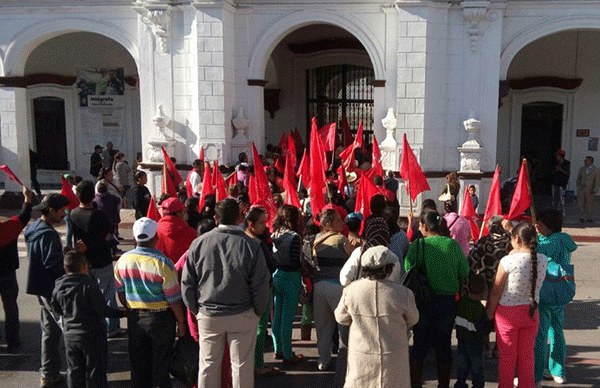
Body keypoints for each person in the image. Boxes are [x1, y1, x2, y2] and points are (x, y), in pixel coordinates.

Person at [182, 198, 270, 388]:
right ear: (239, 218)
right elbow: (261, 285)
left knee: (208, 364)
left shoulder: (198, 243)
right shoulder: (251, 245)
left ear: (215, 218)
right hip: (242, 314)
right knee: (242, 366)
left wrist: (197, 310)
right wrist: (257, 311)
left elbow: (187, 283)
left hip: (209, 313)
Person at [114, 217, 187, 388]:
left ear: (134, 238)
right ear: (156, 238)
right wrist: (181, 324)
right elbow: (174, 299)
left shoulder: (123, 261)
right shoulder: (163, 263)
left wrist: (130, 309)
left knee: (138, 365)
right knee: (160, 364)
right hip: (161, 319)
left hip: (136, 318)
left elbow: (121, 293)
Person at [335, 245, 419, 388]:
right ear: (388, 269)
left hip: (362, 357)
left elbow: (340, 317)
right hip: (393, 357)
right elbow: (413, 318)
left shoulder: (351, 291)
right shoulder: (403, 293)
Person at [405, 209, 469, 388]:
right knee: (444, 345)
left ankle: (415, 384)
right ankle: (443, 385)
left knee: (419, 346)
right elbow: (464, 271)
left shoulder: (417, 245)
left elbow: (408, 268)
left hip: (422, 302)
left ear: (424, 226)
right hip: (447, 303)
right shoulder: (453, 245)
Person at [486, 222, 548, 388]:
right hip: (531, 312)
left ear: (517, 239)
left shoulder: (508, 261)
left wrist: (490, 313)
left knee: (507, 358)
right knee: (527, 358)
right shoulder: (542, 259)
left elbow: (496, 291)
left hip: (508, 314)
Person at [51, 251, 125, 388]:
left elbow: (56, 309)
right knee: (95, 371)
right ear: (84, 266)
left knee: (74, 371)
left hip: (70, 336)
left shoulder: (58, 286)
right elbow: (102, 309)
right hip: (91, 335)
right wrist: (122, 313)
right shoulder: (89, 285)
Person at [25, 193, 71, 387]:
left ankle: (48, 373)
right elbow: (53, 265)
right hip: (52, 290)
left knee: (49, 332)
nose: (63, 215)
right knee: (68, 329)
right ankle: (75, 371)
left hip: (40, 287)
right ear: (51, 211)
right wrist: (69, 262)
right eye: (61, 211)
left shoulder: (33, 228)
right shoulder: (49, 235)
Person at [70, 180, 122, 338]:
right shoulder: (98, 214)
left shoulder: (73, 214)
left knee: (87, 294)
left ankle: (93, 324)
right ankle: (111, 327)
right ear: (93, 196)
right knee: (107, 294)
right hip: (101, 259)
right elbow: (110, 231)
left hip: (84, 260)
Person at [534, 209, 577, 385]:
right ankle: (558, 371)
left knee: (541, 334)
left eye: (540, 224)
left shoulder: (545, 243)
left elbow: (531, 251)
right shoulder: (565, 240)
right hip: (562, 290)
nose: (537, 227)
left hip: (546, 291)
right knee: (557, 331)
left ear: (548, 226)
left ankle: (535, 374)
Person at [312, 209, 353, 382]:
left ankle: (323, 360)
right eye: (338, 221)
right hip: (338, 287)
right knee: (343, 325)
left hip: (319, 286)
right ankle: (345, 359)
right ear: (329, 223)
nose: (341, 224)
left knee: (323, 326)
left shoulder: (316, 240)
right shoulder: (342, 240)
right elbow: (352, 259)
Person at [465, 215, 512, 358]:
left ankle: (486, 347)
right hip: (505, 285)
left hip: (486, 285)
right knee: (501, 317)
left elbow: (471, 261)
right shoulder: (510, 242)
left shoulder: (484, 241)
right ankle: (498, 348)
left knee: (486, 316)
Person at [244, 207, 280, 378]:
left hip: (245, 291)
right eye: (261, 223)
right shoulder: (258, 244)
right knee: (259, 328)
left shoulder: (241, 240)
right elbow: (271, 265)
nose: (264, 226)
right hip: (262, 289)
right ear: (251, 224)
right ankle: (257, 364)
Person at [270, 205, 305, 364]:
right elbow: (295, 261)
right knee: (288, 318)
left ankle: (278, 350)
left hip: (276, 275)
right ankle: (288, 353)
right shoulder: (294, 237)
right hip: (291, 276)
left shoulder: (274, 234)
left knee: (277, 315)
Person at [0, 186, 33, 352]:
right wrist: (27, 198)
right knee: (10, 307)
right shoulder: (8, 227)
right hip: (7, 272)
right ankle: (12, 340)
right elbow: (24, 216)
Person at [454, 274, 490, 388]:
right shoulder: (480, 309)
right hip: (476, 342)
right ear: (483, 291)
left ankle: (460, 383)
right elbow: (484, 329)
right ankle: (477, 385)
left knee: (462, 364)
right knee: (477, 367)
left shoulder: (461, 302)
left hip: (462, 339)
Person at [155, 197, 197, 264]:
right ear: (179, 213)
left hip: (160, 271)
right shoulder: (190, 232)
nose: (184, 214)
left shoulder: (155, 231)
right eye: (183, 211)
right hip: (182, 272)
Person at [575, 156, 600, 223]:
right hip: (581, 189)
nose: (585, 162)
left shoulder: (596, 170)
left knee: (589, 204)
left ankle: (589, 217)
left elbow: (597, 181)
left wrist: (595, 189)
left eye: (586, 160)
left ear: (591, 161)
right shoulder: (582, 169)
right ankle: (582, 217)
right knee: (581, 204)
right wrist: (578, 186)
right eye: (585, 160)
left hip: (590, 189)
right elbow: (578, 178)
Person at [551, 150, 570, 216]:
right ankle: (554, 210)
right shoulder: (555, 163)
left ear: (561, 156)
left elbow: (567, 173)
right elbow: (551, 172)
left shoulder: (567, 163)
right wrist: (556, 170)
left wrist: (561, 170)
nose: (556, 157)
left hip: (562, 183)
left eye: (558, 155)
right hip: (555, 183)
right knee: (554, 198)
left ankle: (563, 211)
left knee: (562, 198)